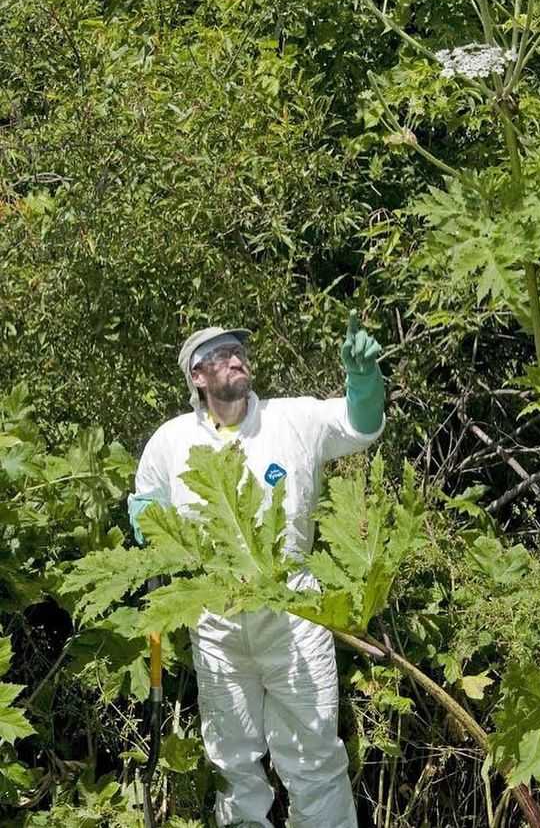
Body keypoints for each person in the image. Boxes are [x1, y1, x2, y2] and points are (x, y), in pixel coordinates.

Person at [127, 313, 385, 828]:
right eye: (220, 354)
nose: (236, 358)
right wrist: (149, 522)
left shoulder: (292, 420)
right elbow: (146, 517)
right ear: (197, 377)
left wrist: (364, 380)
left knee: (313, 758)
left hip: (292, 613)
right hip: (217, 622)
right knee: (233, 763)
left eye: (239, 350)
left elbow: (360, 425)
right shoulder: (170, 442)